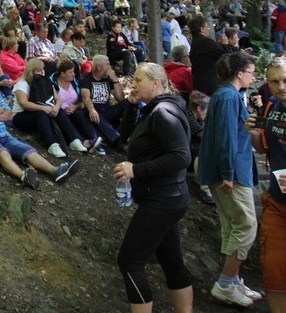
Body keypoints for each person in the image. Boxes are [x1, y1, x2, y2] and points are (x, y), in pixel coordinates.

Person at [113, 62, 194, 313]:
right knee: (171, 262)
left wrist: (135, 170)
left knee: (129, 262)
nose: (133, 85)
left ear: (156, 83)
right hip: (168, 198)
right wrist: (132, 104)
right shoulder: (153, 110)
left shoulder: (163, 113)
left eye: (138, 80)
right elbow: (124, 138)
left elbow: (181, 157)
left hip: (163, 200)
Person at [196, 51, 262, 307]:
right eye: (251, 72)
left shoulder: (231, 96)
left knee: (234, 226)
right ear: (239, 73)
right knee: (246, 226)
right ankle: (225, 282)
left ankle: (232, 281)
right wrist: (228, 174)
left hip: (233, 171)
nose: (253, 76)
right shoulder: (228, 97)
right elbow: (226, 138)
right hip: (231, 174)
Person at [0, 66, 79, 189]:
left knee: (28, 150)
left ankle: (56, 171)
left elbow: (9, 115)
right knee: (2, 153)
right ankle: (23, 176)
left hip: (3, 134)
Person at [247, 55, 286, 312]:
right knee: (273, 269)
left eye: (285, 80)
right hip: (277, 203)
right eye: (275, 81)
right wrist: (252, 132)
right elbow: (263, 148)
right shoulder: (271, 106)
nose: (281, 86)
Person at [12, 58, 92, 158]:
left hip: (42, 111)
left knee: (60, 111)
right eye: (39, 71)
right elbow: (24, 103)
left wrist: (56, 107)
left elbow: (58, 99)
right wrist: (43, 108)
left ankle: (74, 139)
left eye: (43, 70)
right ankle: (52, 144)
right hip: (22, 115)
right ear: (31, 72)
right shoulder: (22, 84)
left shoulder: (46, 83)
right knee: (41, 114)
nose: (42, 72)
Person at [51, 58, 103, 154]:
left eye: (74, 72)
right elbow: (50, 102)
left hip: (74, 111)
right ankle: (80, 141)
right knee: (62, 114)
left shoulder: (75, 83)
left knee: (80, 113)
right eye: (70, 72)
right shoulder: (52, 83)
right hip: (59, 113)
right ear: (62, 74)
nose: (74, 74)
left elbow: (82, 102)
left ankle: (94, 140)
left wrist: (75, 107)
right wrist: (63, 108)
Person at [78, 54, 127, 151]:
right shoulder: (86, 79)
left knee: (128, 103)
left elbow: (120, 99)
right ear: (99, 67)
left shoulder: (107, 79)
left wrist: (114, 80)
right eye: (107, 65)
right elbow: (85, 97)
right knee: (88, 111)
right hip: (93, 114)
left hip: (107, 112)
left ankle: (127, 132)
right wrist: (92, 110)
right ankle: (117, 140)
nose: (110, 68)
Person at [189, 14, 231, 96]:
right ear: (201, 29)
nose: (208, 29)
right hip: (209, 84)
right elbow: (224, 55)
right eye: (207, 27)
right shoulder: (205, 42)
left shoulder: (196, 41)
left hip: (199, 81)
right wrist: (225, 44)